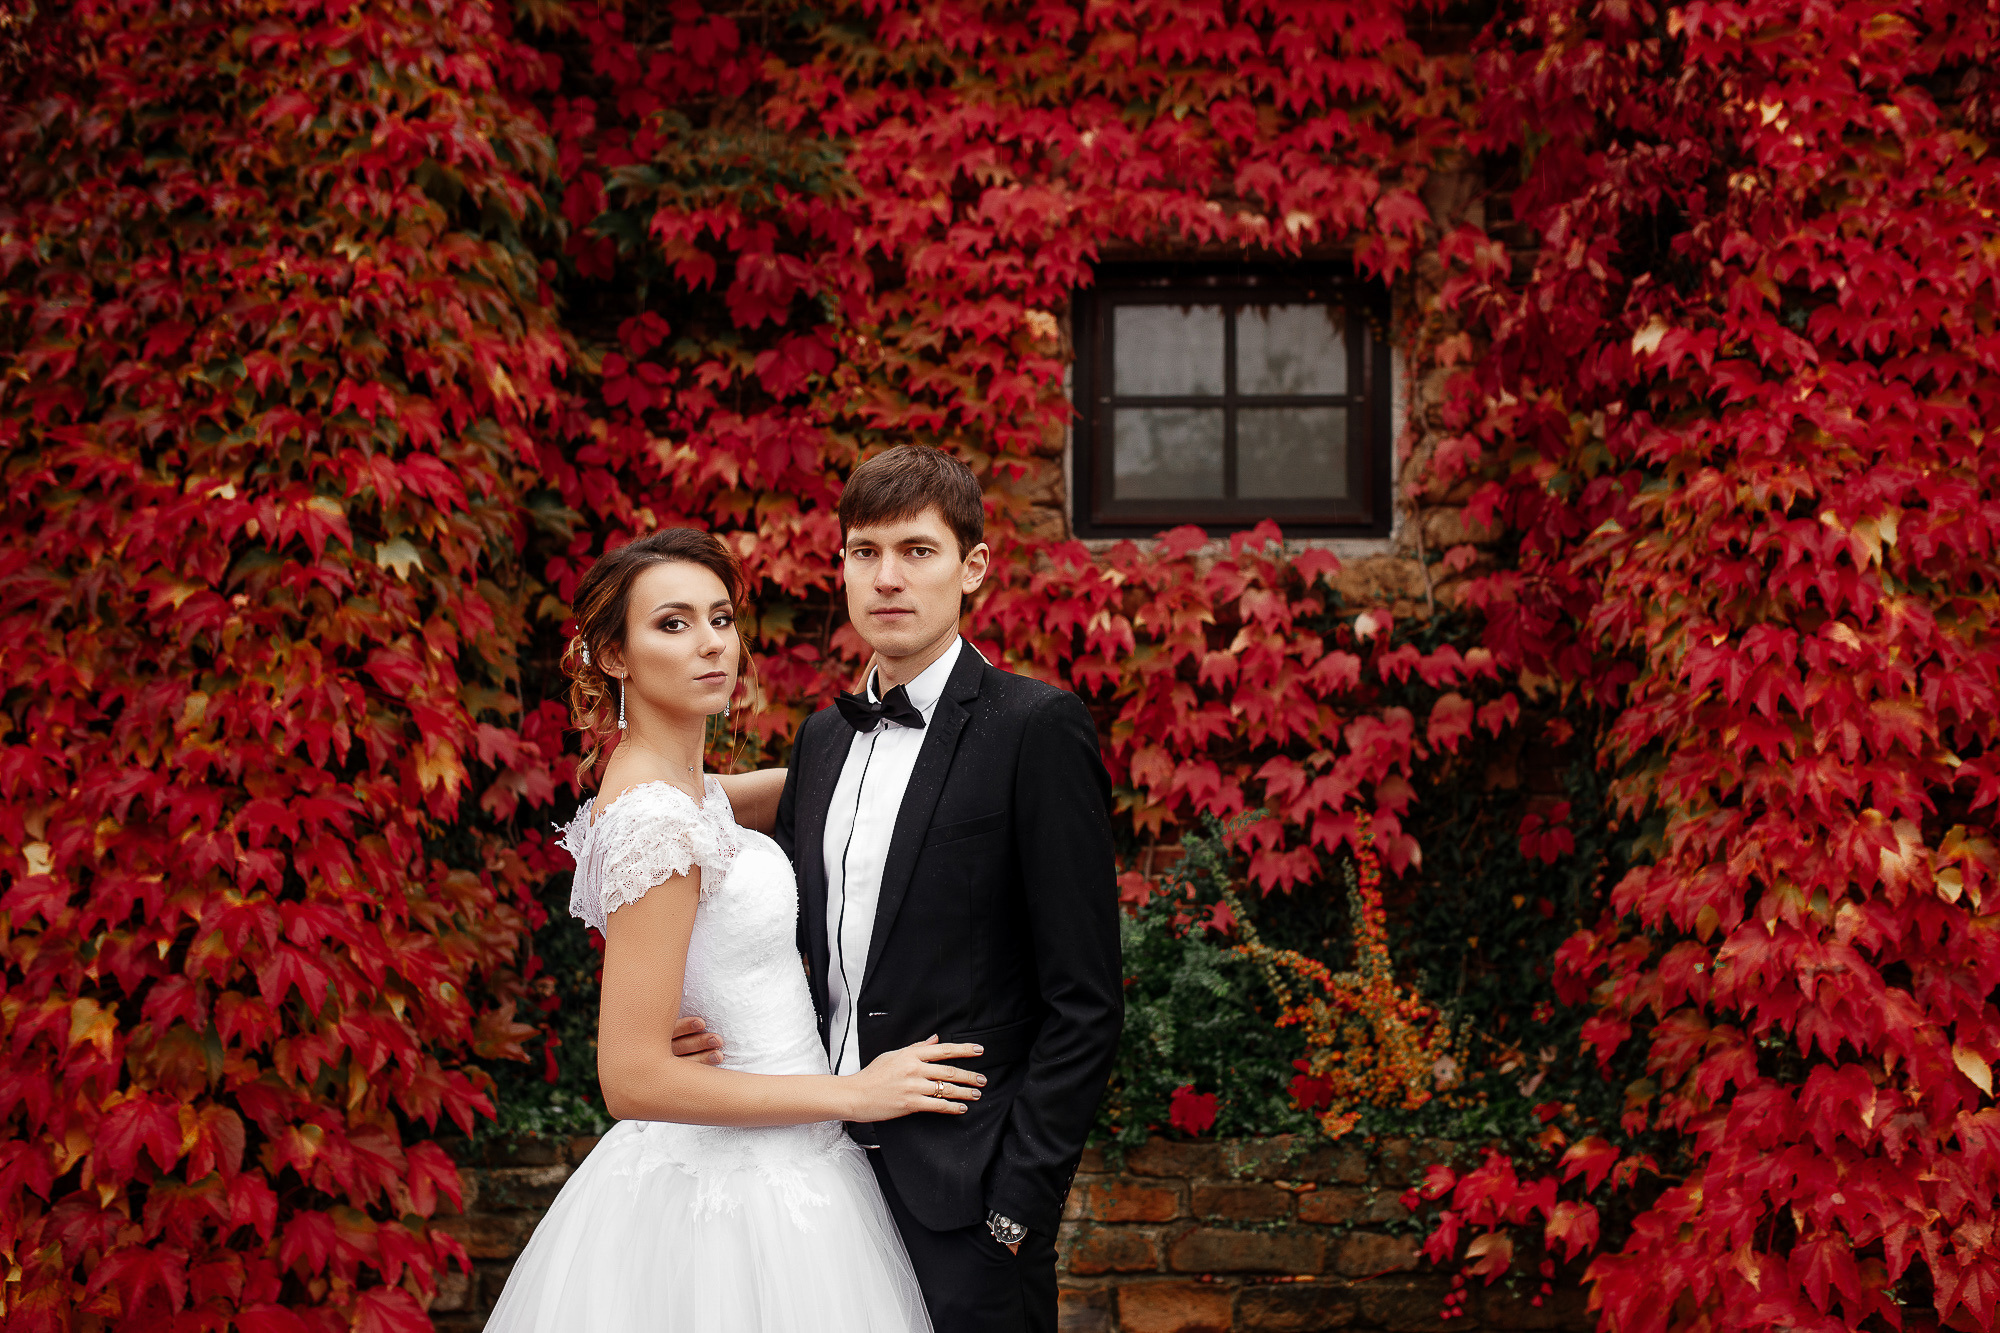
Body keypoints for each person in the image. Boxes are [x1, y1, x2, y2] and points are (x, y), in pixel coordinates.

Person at [485, 527, 984, 1333]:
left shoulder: (692, 793)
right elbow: (632, 1077)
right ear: (614, 656)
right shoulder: (655, 818)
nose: (711, 644)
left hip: (795, 1157)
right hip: (739, 1192)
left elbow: (820, 786)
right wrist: (855, 1091)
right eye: (672, 624)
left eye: (720, 618)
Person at [770, 445, 1122, 1332]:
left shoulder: (1035, 727)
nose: (887, 577)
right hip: (813, 1180)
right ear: (842, 564)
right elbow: (797, 952)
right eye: (864, 551)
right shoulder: (819, 742)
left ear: (971, 568)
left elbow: (1085, 1000)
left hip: (966, 1202)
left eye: (916, 551)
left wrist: (1016, 1206)